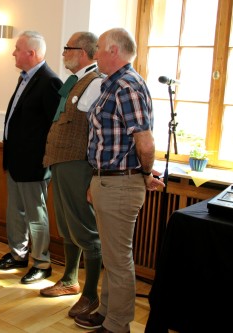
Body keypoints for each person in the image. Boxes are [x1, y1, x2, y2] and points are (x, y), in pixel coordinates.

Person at [74, 28, 165, 333]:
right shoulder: (111, 85)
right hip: (107, 181)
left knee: (118, 258)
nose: (95, 53)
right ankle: (107, 311)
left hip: (120, 184)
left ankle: (117, 325)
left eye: (99, 48)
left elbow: (145, 141)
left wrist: (142, 173)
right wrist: (95, 181)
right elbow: (107, 141)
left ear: (114, 51)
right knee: (113, 256)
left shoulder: (126, 86)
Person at [39, 32, 103, 318]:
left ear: (85, 52)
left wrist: (92, 174)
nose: (64, 52)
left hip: (78, 164)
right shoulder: (76, 82)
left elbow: (94, 130)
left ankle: (91, 295)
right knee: (66, 225)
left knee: (84, 229)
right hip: (61, 162)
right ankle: (69, 280)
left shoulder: (96, 82)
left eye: (69, 48)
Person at [0, 31, 62, 284]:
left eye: (17, 48)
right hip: (16, 160)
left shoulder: (50, 81)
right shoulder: (25, 78)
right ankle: (18, 255)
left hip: (34, 164)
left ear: (31, 53)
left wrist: (44, 160)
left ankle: (42, 262)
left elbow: (56, 127)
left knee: (35, 215)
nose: (13, 53)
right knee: (16, 212)